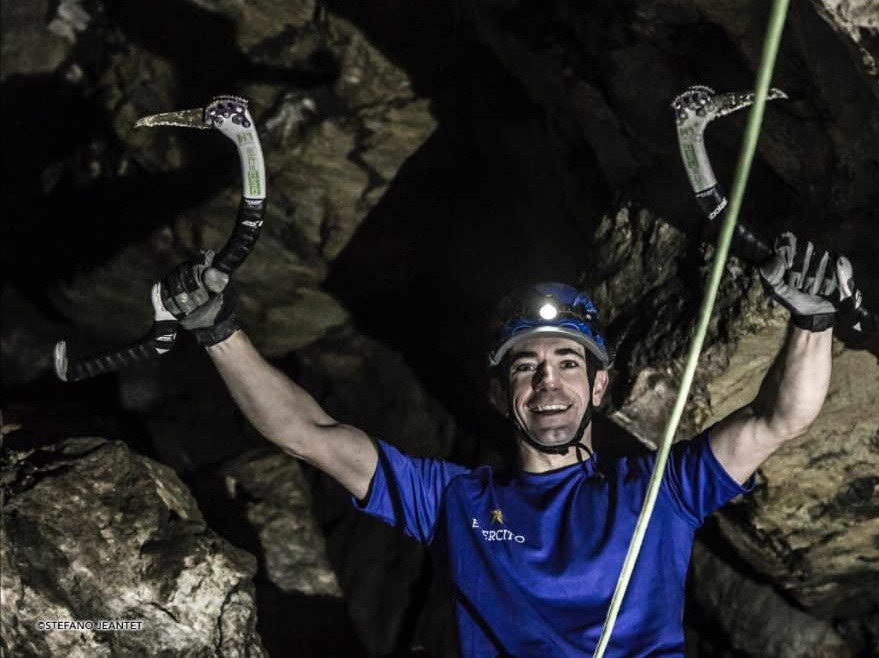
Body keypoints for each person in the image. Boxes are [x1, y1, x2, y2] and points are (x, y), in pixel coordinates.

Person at [160, 232, 839, 655]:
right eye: (526, 367)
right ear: (497, 394)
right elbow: (307, 434)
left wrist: (812, 322)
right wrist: (219, 331)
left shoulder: (658, 492)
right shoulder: (452, 501)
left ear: (600, 387)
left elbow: (780, 417)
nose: (549, 382)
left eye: (568, 363)